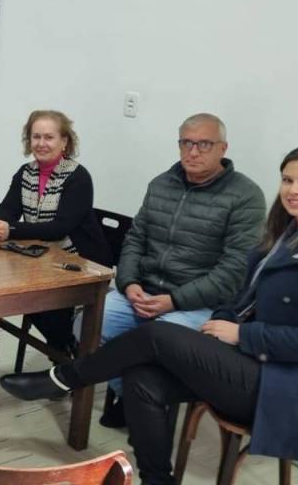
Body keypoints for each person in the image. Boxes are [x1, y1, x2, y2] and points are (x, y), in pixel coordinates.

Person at [0, 143, 298, 485]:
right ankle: (157, 480)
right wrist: (226, 319)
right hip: (251, 363)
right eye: (288, 180)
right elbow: (243, 298)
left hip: (292, 387)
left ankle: (65, 378)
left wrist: (241, 334)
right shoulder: (284, 235)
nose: (294, 190)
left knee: (157, 335)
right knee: (142, 377)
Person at [97, 113, 265, 427]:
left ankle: (142, 404)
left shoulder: (245, 196)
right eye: (186, 143)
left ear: (223, 148)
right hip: (145, 291)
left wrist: (174, 301)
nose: (193, 151)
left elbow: (233, 271)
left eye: (204, 144)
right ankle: (131, 398)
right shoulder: (161, 184)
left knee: (156, 340)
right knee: (91, 321)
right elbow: (135, 239)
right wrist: (129, 283)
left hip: (200, 305)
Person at [0, 110, 111, 357]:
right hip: (42, 259)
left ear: (64, 141)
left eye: (49, 137)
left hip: (81, 262)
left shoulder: (78, 177)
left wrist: (11, 230)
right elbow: (6, 211)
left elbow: (59, 228)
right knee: (15, 295)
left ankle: (66, 353)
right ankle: (63, 351)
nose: (41, 143)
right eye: (36, 137)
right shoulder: (26, 172)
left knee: (40, 302)